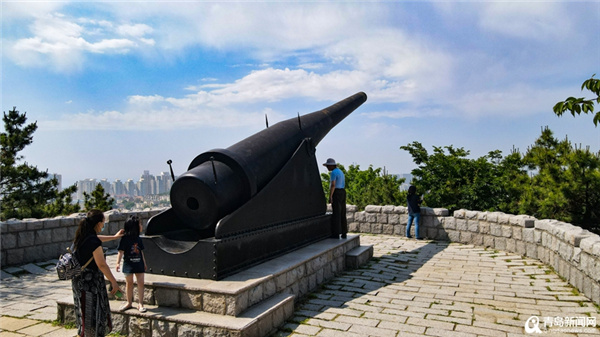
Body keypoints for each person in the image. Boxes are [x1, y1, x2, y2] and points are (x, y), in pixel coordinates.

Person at [71, 209, 123, 337]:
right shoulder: (93, 242)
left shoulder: (83, 236)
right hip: (90, 285)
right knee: (92, 315)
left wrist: (115, 237)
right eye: (103, 222)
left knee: (83, 313)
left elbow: (98, 238)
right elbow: (102, 264)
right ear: (98, 223)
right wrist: (114, 282)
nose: (103, 225)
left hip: (79, 281)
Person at [116, 215, 147, 312]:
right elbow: (120, 251)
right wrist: (117, 263)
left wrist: (144, 263)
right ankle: (129, 302)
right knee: (129, 283)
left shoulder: (139, 239)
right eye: (140, 224)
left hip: (139, 263)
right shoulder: (125, 239)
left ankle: (140, 303)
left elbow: (141, 251)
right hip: (128, 264)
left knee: (140, 283)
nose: (141, 226)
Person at [323, 158, 347, 239]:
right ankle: (344, 232)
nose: (327, 168)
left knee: (336, 213)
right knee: (342, 212)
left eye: (328, 166)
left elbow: (333, 184)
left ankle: (336, 233)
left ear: (332, 166)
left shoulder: (333, 173)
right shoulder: (340, 172)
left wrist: (330, 196)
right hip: (343, 191)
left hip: (336, 192)